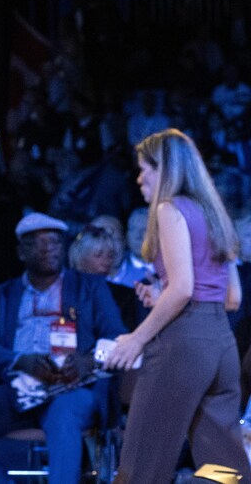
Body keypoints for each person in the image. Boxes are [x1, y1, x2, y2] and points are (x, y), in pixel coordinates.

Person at [103, 129, 251, 481]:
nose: (139, 178)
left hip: (182, 346)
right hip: (220, 345)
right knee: (224, 468)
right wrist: (163, 297)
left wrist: (137, 338)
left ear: (166, 169)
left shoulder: (169, 209)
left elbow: (183, 288)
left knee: (142, 464)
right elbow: (232, 298)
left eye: (145, 169)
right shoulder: (215, 214)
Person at [0, 212, 125, 484]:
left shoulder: (89, 287)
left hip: (73, 387)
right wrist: (19, 361)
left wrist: (89, 360)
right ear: (20, 252)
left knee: (64, 414)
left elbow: (118, 337)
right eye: (38, 243)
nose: (48, 249)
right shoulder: (2, 295)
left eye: (54, 242)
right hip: (20, 389)